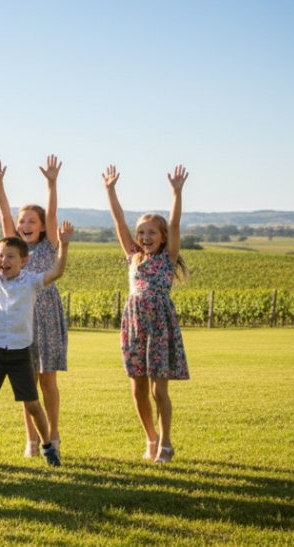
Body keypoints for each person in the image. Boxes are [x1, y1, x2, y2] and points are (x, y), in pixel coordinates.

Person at [0, 210, 72, 467]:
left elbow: (57, 271)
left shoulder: (31, 282)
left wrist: (64, 245)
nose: (4, 260)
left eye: (10, 256)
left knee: (33, 405)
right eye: (0, 256)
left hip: (21, 353)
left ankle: (47, 447)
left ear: (24, 261)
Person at [103, 164, 191, 463]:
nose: (144, 236)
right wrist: (110, 190)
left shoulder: (168, 258)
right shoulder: (133, 257)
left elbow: (176, 224)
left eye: (151, 232)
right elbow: (118, 223)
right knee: (138, 388)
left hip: (159, 324)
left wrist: (176, 193)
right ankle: (150, 438)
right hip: (134, 322)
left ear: (163, 237)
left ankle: (166, 442)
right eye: (141, 232)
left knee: (158, 390)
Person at [0, 155, 67, 459]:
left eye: (31, 221)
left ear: (43, 227)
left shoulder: (49, 246)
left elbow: (54, 212)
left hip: (46, 316)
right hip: (23, 317)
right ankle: (32, 440)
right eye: (22, 222)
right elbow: (4, 215)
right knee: (27, 381)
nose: (24, 225)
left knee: (48, 379)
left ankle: (54, 435)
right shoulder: (15, 248)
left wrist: (51, 183)